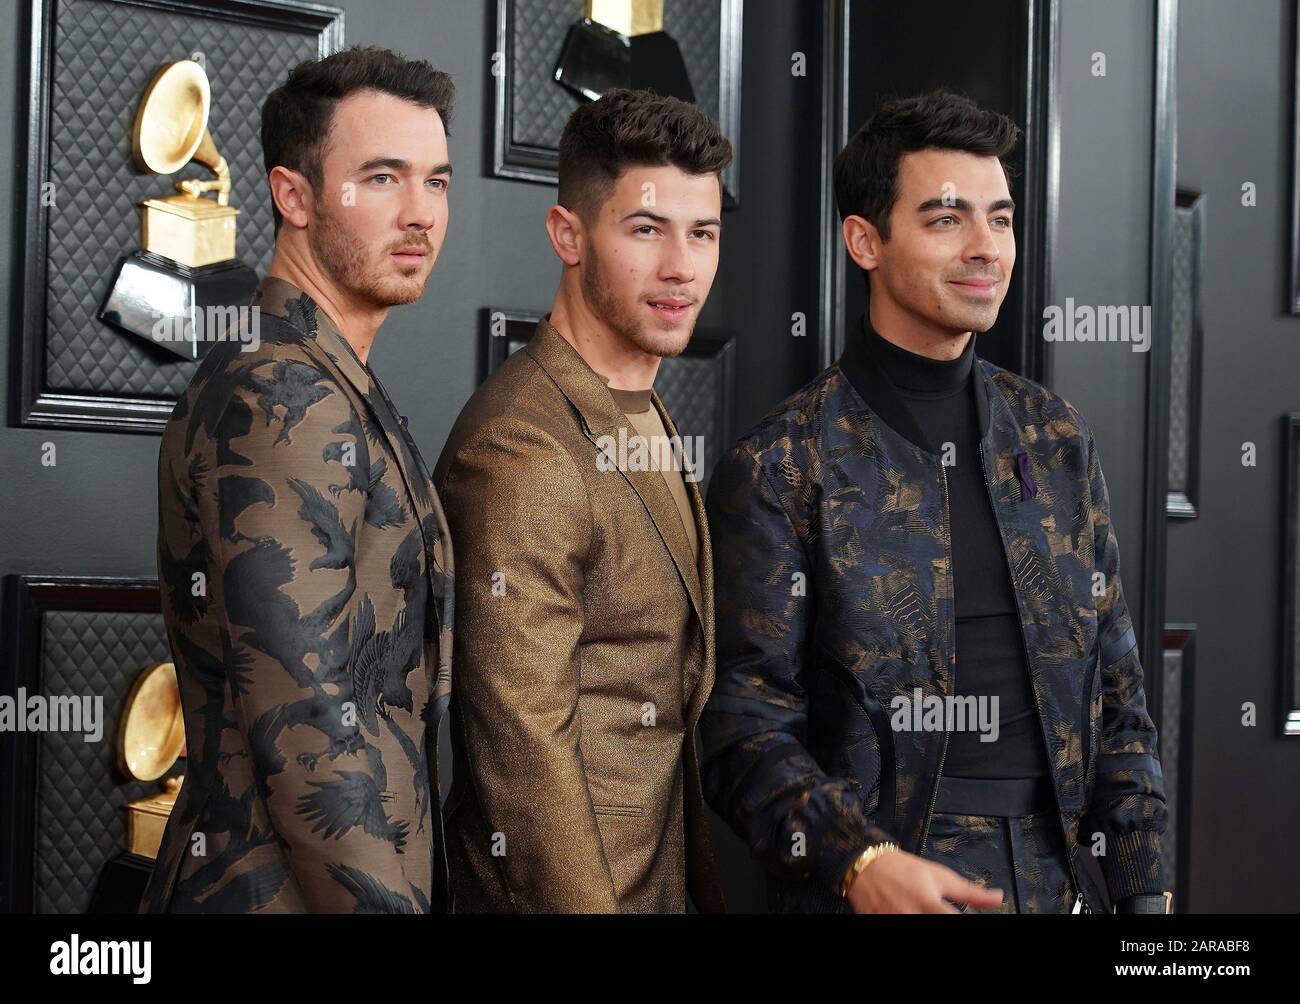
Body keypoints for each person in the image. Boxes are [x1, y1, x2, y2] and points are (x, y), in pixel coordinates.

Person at [702, 90, 1170, 914]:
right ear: (865, 241)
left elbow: (1119, 694)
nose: (986, 248)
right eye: (948, 219)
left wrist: (1146, 884)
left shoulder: (1055, 439)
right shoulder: (785, 461)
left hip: (1063, 884)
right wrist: (858, 861)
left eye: (1000, 218)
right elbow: (744, 726)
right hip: (885, 887)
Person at [142, 46, 456, 913]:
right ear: (294, 195)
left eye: (436, 181)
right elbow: (309, 723)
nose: (420, 213)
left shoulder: (317, 370)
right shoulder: (286, 390)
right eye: (383, 177)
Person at [434, 88, 730, 913]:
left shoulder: (638, 403)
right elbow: (522, 757)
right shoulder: (521, 448)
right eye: (645, 230)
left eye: (702, 233)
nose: (681, 267)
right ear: (569, 235)